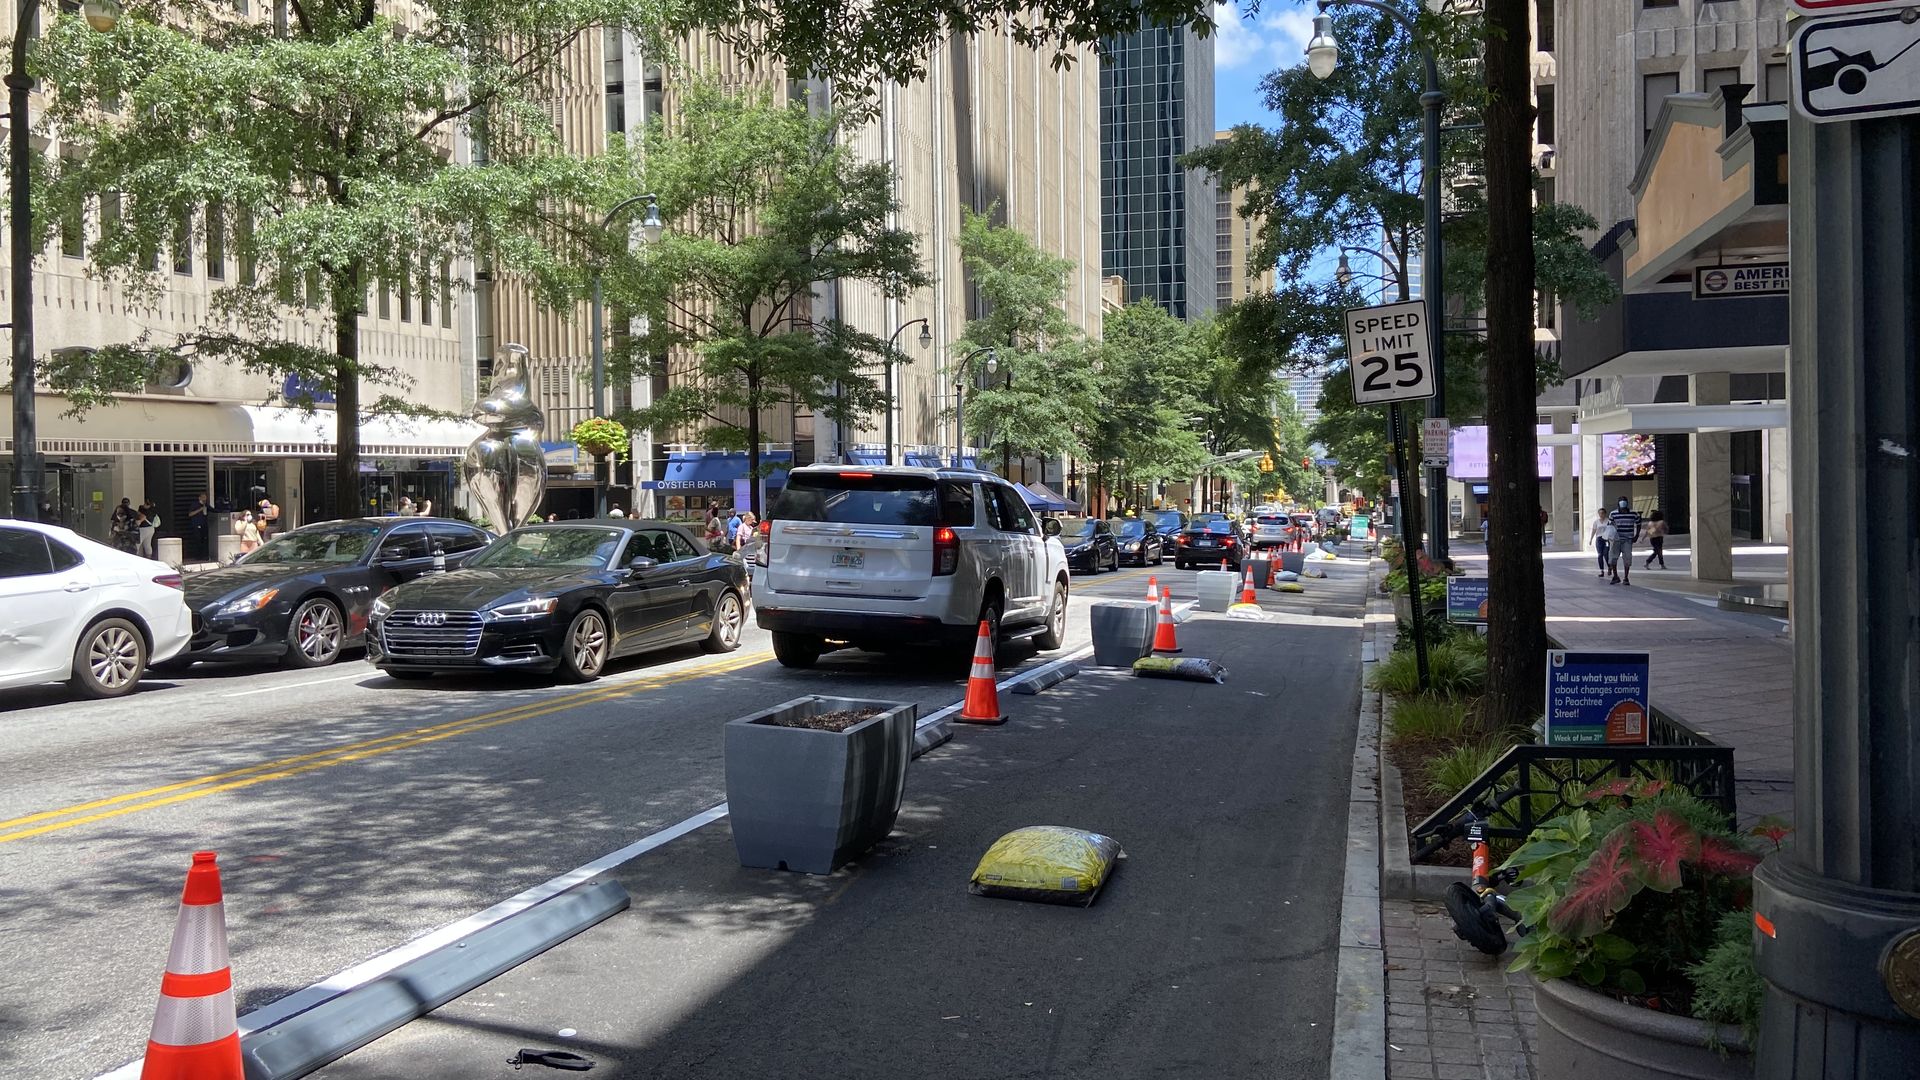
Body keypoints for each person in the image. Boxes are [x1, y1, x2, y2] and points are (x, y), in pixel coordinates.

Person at [1608, 497, 1643, 586]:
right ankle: (1615, 576)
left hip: (1628, 539)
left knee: (1627, 558)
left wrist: (1637, 535)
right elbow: (1610, 526)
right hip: (1616, 539)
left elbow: (1639, 524)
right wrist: (1610, 538)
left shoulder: (1633, 513)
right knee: (1613, 558)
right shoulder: (1613, 514)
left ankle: (1626, 577)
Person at [1587, 507, 1613, 578]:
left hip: (1606, 539)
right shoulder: (1596, 522)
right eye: (1600, 513)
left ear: (1605, 514)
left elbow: (1611, 530)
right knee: (1600, 555)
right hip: (1599, 539)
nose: (1601, 515)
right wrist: (1591, 539)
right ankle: (1601, 570)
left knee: (1606, 554)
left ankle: (1609, 567)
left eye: (1603, 513)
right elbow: (1594, 530)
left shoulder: (1608, 521)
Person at [187, 492, 210, 560]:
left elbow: (213, 510)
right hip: (196, 525)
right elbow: (190, 514)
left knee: (204, 540)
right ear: (199, 498)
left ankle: (204, 555)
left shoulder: (206, 505)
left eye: (205, 497)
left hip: (204, 525)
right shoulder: (195, 505)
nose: (204, 499)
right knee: (198, 540)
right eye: (203, 497)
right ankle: (198, 556)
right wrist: (200, 510)